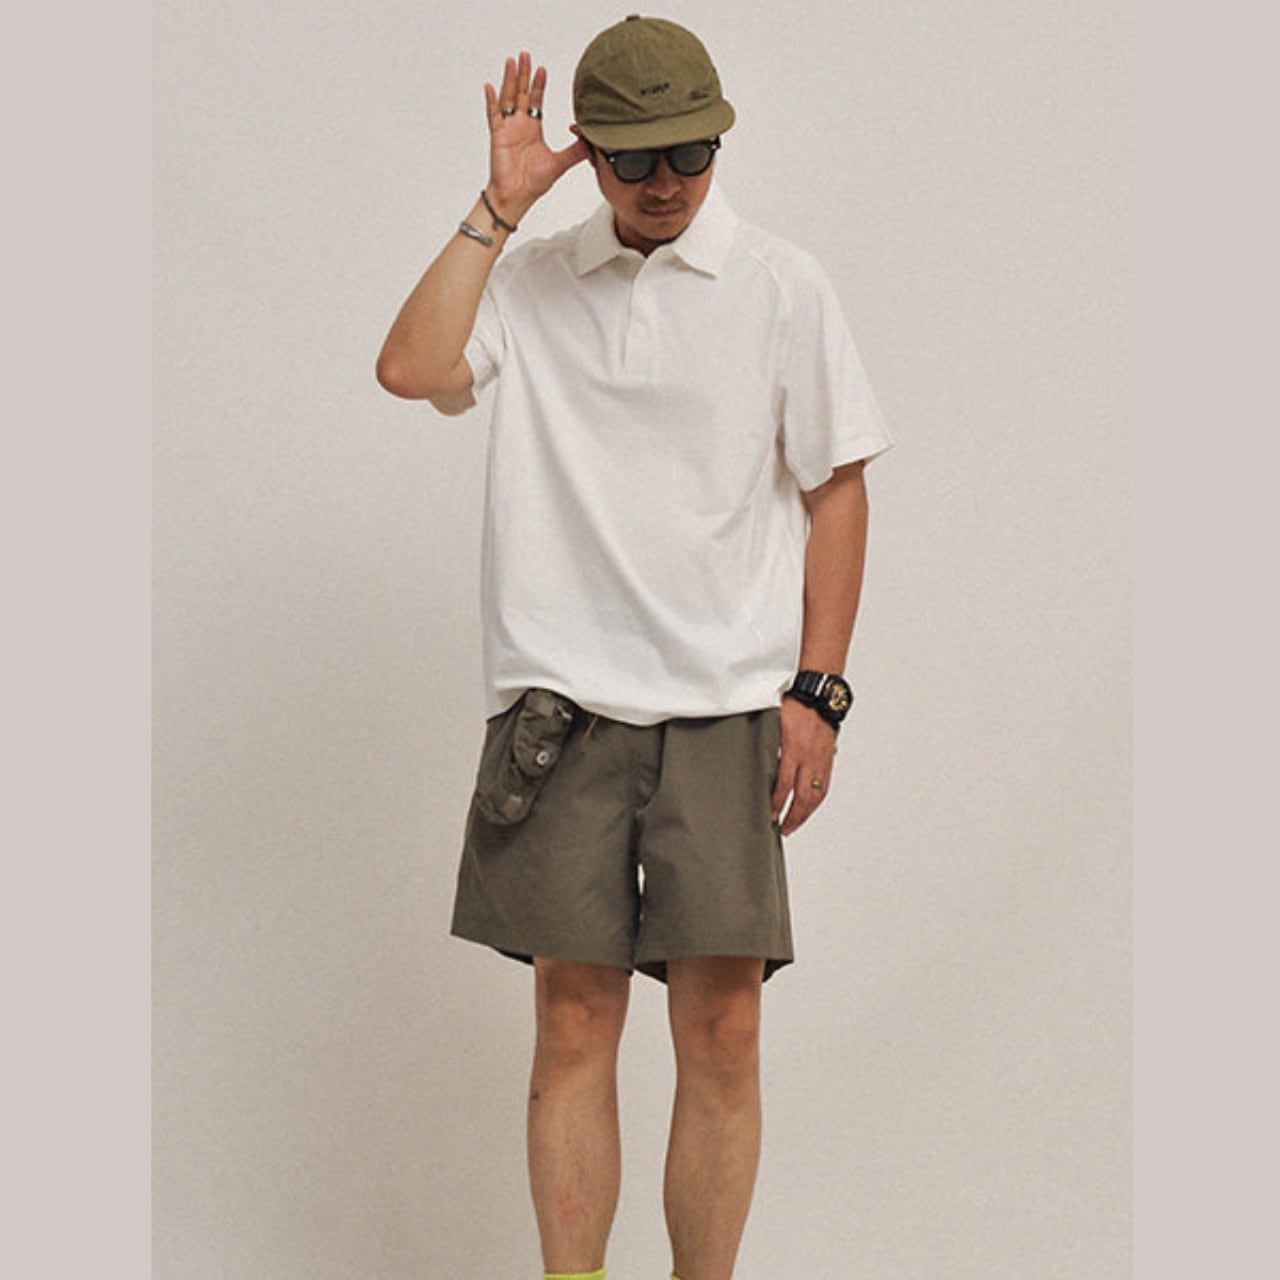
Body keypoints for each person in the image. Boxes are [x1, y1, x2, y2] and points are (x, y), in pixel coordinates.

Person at [376, 15, 891, 1280]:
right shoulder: (531, 279)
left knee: (722, 1028)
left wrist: (817, 690)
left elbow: (836, 486)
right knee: (572, 1021)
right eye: (635, 157)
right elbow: (409, 366)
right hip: (560, 710)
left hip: (725, 705)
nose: (666, 181)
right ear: (589, 151)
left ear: (719, 141)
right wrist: (498, 209)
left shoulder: (779, 284)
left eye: (691, 152)